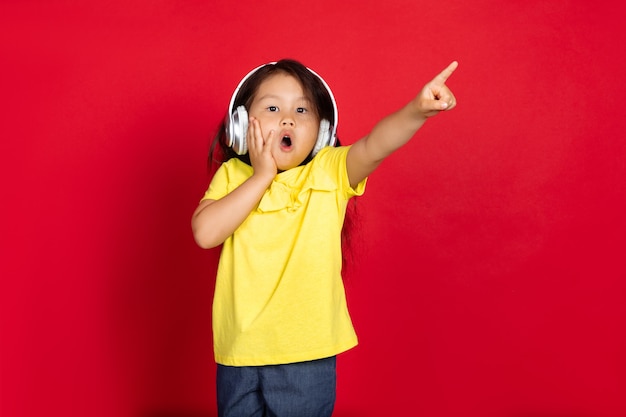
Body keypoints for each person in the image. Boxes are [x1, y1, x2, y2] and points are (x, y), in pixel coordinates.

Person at [191, 58, 458, 417]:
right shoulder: (233, 175)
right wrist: (262, 176)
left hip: (306, 355)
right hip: (239, 351)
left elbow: (376, 145)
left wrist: (416, 110)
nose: (287, 118)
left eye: (302, 109)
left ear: (320, 132)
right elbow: (206, 233)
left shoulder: (329, 171)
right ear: (241, 124)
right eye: (272, 107)